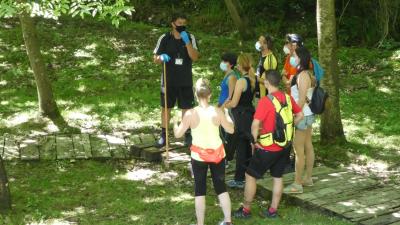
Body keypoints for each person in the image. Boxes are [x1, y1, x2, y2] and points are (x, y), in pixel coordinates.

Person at [233, 70, 303, 219]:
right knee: (278, 177)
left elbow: (255, 124)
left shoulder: (266, 101)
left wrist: (254, 142)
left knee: (250, 176)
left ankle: (245, 210)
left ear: (267, 83)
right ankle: (273, 211)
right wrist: (290, 128)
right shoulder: (288, 97)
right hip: (284, 146)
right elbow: (300, 115)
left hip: (267, 148)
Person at [173, 78, 234, 225]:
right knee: (221, 187)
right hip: (218, 154)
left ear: (196, 94)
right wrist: (227, 115)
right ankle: (228, 221)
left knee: (199, 189)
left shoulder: (190, 113)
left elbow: (178, 134)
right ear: (210, 94)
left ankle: (200, 224)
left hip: (198, 156)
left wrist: (175, 123)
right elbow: (231, 129)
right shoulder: (218, 111)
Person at [153, 12, 199, 148]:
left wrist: (187, 43)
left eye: (184, 24)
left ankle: (187, 134)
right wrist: (161, 58)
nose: (182, 26)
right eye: (179, 24)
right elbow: (155, 58)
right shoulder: (165, 38)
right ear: (173, 24)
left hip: (185, 80)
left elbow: (195, 57)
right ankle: (164, 135)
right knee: (166, 108)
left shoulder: (190, 37)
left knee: (187, 108)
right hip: (168, 80)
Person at [283, 46, 316, 194]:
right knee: (308, 145)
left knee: (299, 150)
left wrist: (296, 116)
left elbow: (301, 100)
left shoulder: (303, 75)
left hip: (302, 115)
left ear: (300, 58)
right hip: (308, 115)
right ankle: (308, 178)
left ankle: (297, 183)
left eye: (294, 55)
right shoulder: (307, 74)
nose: (292, 57)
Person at [224, 53, 257, 189]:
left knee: (241, 147)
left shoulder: (241, 81)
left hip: (241, 116)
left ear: (240, 65)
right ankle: (246, 176)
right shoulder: (252, 79)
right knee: (247, 146)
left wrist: (225, 105)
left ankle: (239, 179)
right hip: (249, 114)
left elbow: (234, 102)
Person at [218, 52, 240, 163]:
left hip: (227, 109)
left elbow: (231, 96)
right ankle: (224, 156)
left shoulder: (232, 77)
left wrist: (222, 107)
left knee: (227, 134)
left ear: (230, 64)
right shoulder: (227, 74)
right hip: (222, 107)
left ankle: (227, 158)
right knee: (221, 132)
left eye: (225, 61)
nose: (222, 63)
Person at [255, 34, 278, 99]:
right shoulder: (263, 56)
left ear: (266, 44)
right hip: (260, 95)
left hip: (266, 97)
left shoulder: (270, 59)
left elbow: (271, 81)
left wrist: (258, 79)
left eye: (260, 41)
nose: (257, 43)